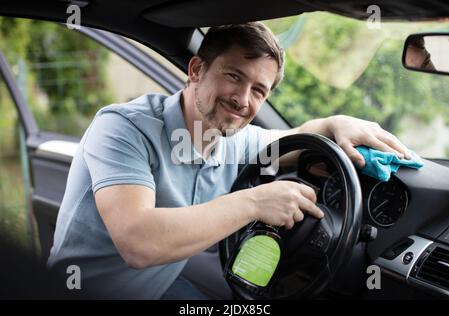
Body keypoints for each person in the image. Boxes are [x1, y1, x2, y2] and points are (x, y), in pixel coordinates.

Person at [47, 22, 411, 299]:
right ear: (196, 70)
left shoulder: (233, 139)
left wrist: (336, 122)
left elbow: (296, 138)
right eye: (234, 76)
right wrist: (254, 203)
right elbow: (139, 242)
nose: (242, 99)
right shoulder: (122, 128)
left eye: (258, 91)